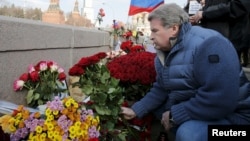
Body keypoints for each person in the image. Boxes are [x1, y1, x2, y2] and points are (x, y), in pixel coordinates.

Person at [121, 3, 250, 141]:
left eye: (155, 31)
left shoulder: (210, 44)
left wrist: (174, 115)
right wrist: (136, 110)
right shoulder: (165, 52)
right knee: (158, 110)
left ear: (174, 28)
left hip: (236, 120)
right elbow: (162, 88)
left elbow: (220, 99)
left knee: (188, 134)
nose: (151, 36)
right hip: (208, 112)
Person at [189, 0, 250, 66]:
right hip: (213, 39)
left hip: (229, 39)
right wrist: (198, 17)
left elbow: (238, 6)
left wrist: (205, 13)